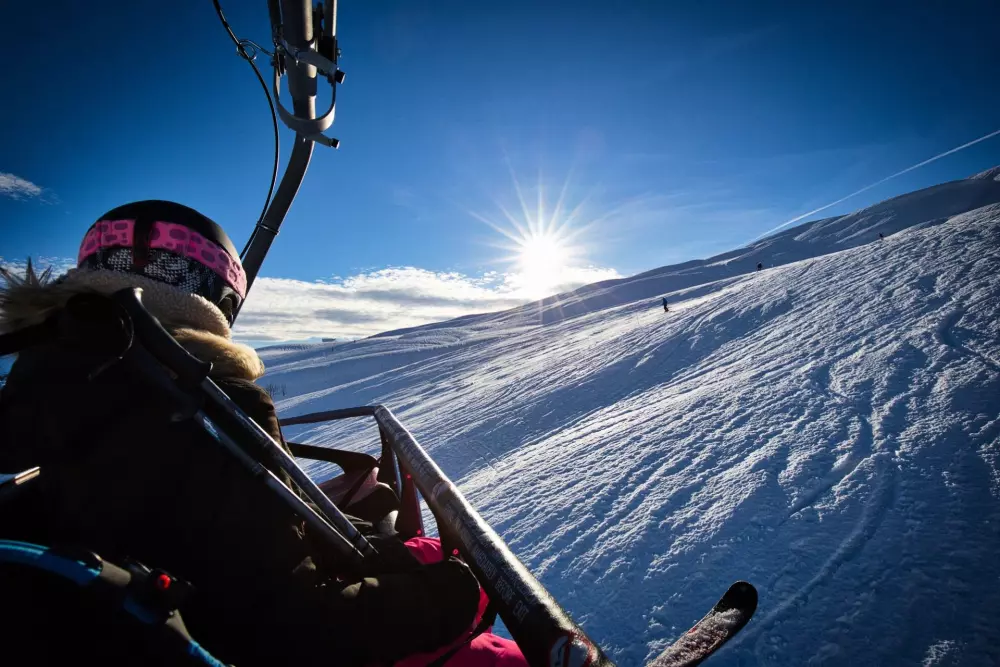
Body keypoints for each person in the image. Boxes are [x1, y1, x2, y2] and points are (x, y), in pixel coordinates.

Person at [0, 201, 481, 666]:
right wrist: (446, 597)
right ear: (218, 295)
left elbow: (215, 530)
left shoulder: (36, 381)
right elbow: (287, 628)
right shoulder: (206, 401)